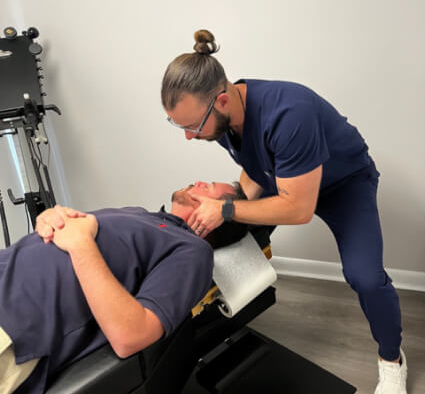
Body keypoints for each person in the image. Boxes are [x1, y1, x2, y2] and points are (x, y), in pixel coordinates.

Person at [160, 29, 407, 394]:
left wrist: (227, 210)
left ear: (223, 101)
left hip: (343, 186)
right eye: (179, 126)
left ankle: (392, 359)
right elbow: (256, 166)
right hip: (288, 180)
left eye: (193, 127)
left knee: (365, 277)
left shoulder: (290, 114)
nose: (189, 136)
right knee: (228, 228)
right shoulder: (227, 120)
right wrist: (224, 210)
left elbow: (298, 208)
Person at [0, 181, 247, 394]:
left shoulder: (192, 250)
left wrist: (81, 244)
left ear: (216, 217)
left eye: (211, 187)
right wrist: (51, 219)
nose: (199, 181)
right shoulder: (140, 214)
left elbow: (131, 335)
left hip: (14, 324)